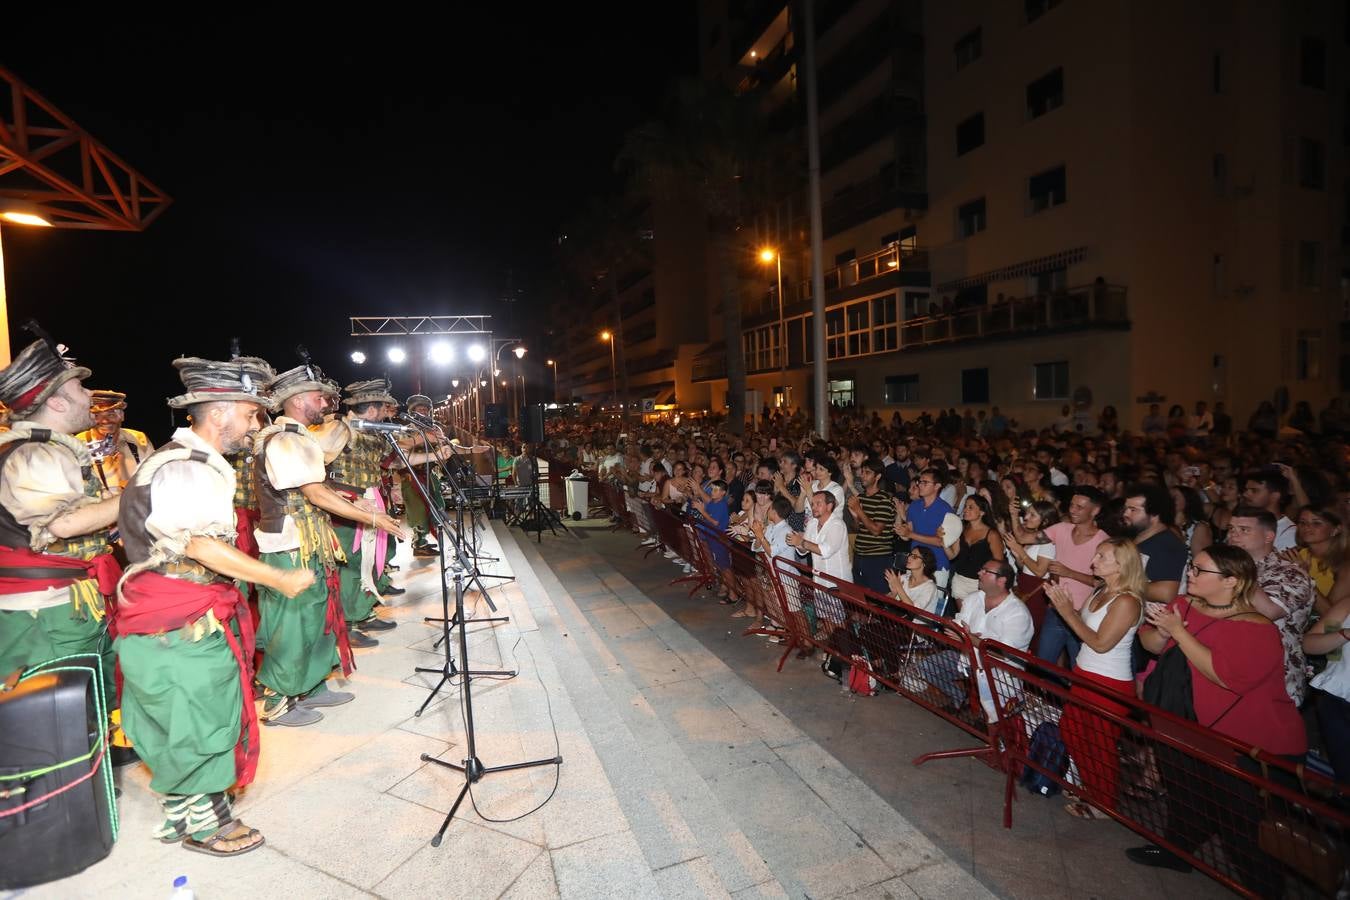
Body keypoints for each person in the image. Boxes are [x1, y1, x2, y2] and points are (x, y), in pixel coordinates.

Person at [114, 355, 314, 855]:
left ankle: (182, 814)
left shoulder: (176, 460)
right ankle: (208, 826)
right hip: (181, 617)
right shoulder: (192, 468)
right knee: (202, 715)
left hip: (166, 614)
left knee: (179, 716)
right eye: (250, 414)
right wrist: (278, 578)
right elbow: (199, 545)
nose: (254, 425)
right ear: (221, 411)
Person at [1127, 546, 1306, 887]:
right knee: (1185, 795)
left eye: (1199, 570)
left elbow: (1224, 677)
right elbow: (1151, 646)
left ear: (1232, 582)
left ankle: (1265, 889)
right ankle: (1176, 851)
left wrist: (1178, 632)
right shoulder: (1183, 605)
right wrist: (1164, 631)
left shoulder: (1257, 629)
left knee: (1242, 825)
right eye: (1191, 567)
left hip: (1249, 744)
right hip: (1190, 728)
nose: (1189, 574)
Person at [252, 360, 403, 726]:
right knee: (293, 622)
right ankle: (277, 699)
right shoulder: (282, 438)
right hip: (289, 542)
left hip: (311, 538)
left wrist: (354, 501)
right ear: (299, 399)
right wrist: (370, 516)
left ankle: (310, 684)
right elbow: (314, 492)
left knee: (318, 613)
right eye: (319, 396)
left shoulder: (301, 436)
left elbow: (319, 485)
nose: (326, 401)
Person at [0, 336, 122, 716]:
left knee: (84, 701)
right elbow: (65, 523)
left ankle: (93, 759)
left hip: (67, 601)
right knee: (57, 716)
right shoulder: (33, 453)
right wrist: (138, 493)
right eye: (80, 388)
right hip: (46, 613)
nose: (90, 397)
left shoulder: (52, 450)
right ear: (56, 401)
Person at [1048, 538, 1146, 818]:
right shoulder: (1100, 590)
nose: (1094, 560)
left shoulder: (1126, 601)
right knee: (1072, 731)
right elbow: (1082, 626)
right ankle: (1088, 786)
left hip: (1108, 682)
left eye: (1102, 556)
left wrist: (1067, 612)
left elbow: (1101, 643)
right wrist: (1065, 606)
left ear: (1122, 564)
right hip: (1085, 674)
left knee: (1100, 745)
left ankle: (1103, 804)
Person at [917, 560, 1034, 718]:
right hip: (967, 659)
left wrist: (969, 638)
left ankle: (991, 721)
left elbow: (1004, 654)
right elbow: (956, 629)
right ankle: (959, 698)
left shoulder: (1018, 613)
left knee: (995, 721)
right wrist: (955, 628)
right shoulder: (973, 598)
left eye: (986, 571)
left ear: (1002, 580)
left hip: (999, 674)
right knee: (927, 666)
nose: (979, 573)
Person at [1226, 507, 1314, 706]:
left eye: (1244, 530)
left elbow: (1269, 612)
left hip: (1275, 679)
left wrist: (1239, 569)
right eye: (1231, 529)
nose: (1233, 535)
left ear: (1269, 536)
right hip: (1230, 668)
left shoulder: (1291, 573)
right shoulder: (1224, 568)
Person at [1036, 488, 1108, 667]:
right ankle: (1048, 695)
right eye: (1071, 505)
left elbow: (1101, 583)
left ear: (1095, 511)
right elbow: (1026, 536)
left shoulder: (1104, 542)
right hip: (1056, 610)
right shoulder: (1062, 528)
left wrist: (1069, 573)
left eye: (1080, 507)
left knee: (1078, 668)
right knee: (1044, 666)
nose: (1073, 510)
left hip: (1082, 615)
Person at [77, 389, 154, 498]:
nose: (105, 421)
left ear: (122, 416)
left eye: (111, 414)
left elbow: (154, 473)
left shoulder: (138, 439)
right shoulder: (78, 444)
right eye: (98, 415)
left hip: (137, 506)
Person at [1000, 499, 1060, 637]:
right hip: (1025, 584)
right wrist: (1018, 556)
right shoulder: (1035, 538)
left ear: (1045, 521)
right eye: (1027, 513)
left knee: (1030, 629)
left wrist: (1019, 550)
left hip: (1036, 591)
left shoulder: (1048, 542)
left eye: (1032, 515)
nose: (1026, 517)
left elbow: (1040, 571)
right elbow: (1025, 566)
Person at [1120, 483, 1187, 604]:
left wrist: (1119, 583)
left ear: (1154, 514)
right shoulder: (1137, 537)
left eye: (1133, 510)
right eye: (1126, 509)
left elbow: (1166, 593)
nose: (1126, 514)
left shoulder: (1167, 545)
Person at [897, 467, 957, 589]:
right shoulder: (914, 505)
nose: (920, 485)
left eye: (925, 482)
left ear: (937, 486)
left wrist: (910, 534)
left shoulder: (945, 510)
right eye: (920, 482)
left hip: (937, 565)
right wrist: (901, 530)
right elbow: (907, 535)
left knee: (932, 604)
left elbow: (940, 541)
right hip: (915, 562)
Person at [847, 458, 895, 594]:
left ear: (877, 476)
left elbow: (876, 530)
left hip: (878, 558)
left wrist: (859, 510)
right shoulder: (861, 498)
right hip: (860, 556)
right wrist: (855, 518)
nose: (862, 476)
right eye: (862, 472)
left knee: (878, 599)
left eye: (867, 473)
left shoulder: (884, 500)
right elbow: (857, 528)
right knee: (860, 598)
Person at [947, 495, 1004, 602]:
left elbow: (999, 563)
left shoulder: (992, 534)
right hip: (960, 580)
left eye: (970, 507)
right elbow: (952, 555)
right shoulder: (961, 528)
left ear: (982, 512)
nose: (965, 510)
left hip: (980, 583)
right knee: (963, 616)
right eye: (965, 506)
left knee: (977, 617)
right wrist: (944, 541)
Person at [1242, 469, 1297, 550]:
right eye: (1246, 490)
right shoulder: (1243, 521)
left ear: (1275, 496)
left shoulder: (1288, 532)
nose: (1245, 494)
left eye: (1254, 490)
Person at [883, 545, 938, 614]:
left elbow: (913, 610)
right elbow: (885, 603)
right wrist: (893, 594)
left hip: (918, 624)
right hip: (899, 620)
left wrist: (898, 587)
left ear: (924, 563)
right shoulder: (903, 578)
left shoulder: (929, 587)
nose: (908, 558)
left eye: (914, 557)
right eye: (910, 555)